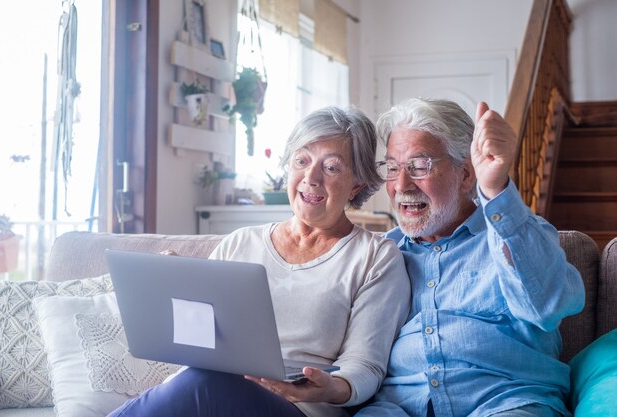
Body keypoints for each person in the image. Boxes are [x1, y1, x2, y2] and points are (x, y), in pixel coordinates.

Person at [106, 106, 411, 417]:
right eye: (301, 161)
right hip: (212, 395)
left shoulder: (375, 257)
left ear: (357, 184)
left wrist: (331, 387)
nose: (311, 177)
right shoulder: (241, 242)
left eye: (331, 168)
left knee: (207, 384)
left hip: (300, 408)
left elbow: (366, 364)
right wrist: (177, 291)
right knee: (204, 381)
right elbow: (197, 342)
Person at [355, 98, 585, 417]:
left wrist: (497, 190)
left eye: (419, 166)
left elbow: (548, 306)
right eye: (393, 168)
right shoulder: (379, 254)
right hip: (398, 409)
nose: (401, 185)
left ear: (466, 175)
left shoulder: (517, 233)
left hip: (506, 403)